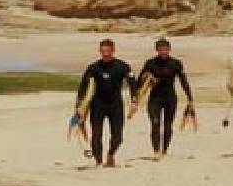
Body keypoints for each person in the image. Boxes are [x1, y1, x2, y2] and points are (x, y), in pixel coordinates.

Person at [75, 39, 135, 167]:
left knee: (118, 136)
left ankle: (111, 154)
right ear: (100, 51)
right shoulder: (93, 67)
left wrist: (134, 100)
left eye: (108, 51)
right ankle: (98, 161)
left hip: (116, 105)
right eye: (103, 51)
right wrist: (79, 105)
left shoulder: (122, 66)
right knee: (96, 135)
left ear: (113, 51)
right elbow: (83, 86)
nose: (106, 54)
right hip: (98, 105)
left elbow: (132, 83)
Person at [136, 38, 194, 160]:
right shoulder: (150, 63)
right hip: (154, 99)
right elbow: (140, 81)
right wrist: (137, 94)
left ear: (169, 50)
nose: (163, 52)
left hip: (170, 98)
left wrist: (190, 98)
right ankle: (156, 150)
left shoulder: (175, 63)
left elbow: (183, 81)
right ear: (156, 50)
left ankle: (165, 150)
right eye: (160, 49)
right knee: (155, 123)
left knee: (168, 125)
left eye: (165, 49)